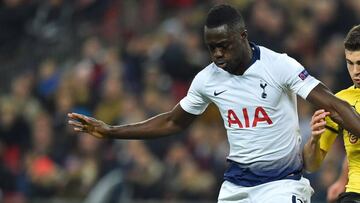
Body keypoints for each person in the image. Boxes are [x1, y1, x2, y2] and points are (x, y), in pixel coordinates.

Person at [68, 5, 360, 203]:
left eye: (224, 45)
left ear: (242, 36)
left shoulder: (279, 66)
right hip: (236, 188)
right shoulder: (207, 80)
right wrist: (111, 131)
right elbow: (172, 121)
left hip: (282, 184)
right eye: (212, 48)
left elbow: (335, 105)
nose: (218, 54)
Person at [303, 25, 360, 203]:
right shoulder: (340, 102)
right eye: (350, 63)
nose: (355, 71)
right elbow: (311, 165)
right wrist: (315, 139)